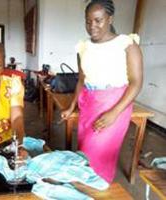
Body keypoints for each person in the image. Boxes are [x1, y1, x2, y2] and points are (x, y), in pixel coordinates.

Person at [61, 0, 143, 183]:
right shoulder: (83, 47)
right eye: (88, 21)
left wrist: (114, 113)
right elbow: (81, 80)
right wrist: (71, 106)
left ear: (110, 18)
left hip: (115, 104)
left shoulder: (127, 44)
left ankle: (98, 187)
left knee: (96, 154)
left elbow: (136, 82)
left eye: (98, 20)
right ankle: (90, 187)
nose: (92, 26)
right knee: (84, 151)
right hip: (89, 105)